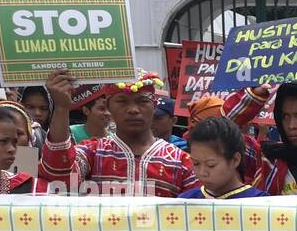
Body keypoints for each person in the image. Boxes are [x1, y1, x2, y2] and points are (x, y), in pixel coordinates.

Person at [40, 69, 196, 197]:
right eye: (122, 101)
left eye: (142, 101)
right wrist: (61, 108)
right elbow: (58, 174)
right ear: (108, 106)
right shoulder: (93, 152)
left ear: (154, 106)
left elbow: (198, 213)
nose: (133, 110)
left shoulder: (181, 161)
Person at [178, 116, 268, 200]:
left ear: (235, 160)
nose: (202, 173)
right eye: (196, 163)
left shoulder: (259, 203)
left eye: (211, 165)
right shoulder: (186, 202)